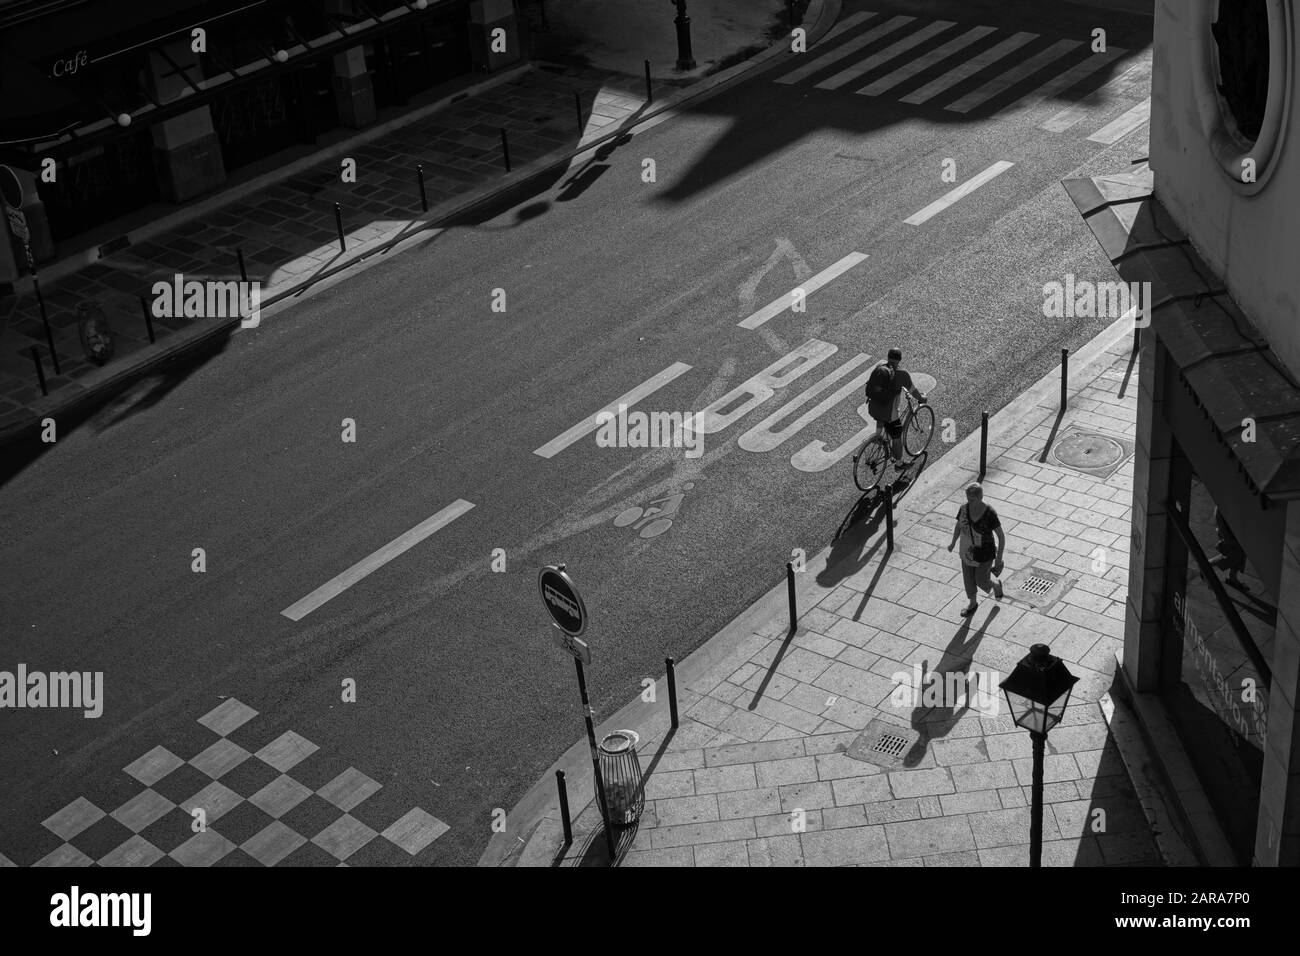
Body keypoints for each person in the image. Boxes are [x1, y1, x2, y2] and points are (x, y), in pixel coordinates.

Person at [947, 482, 1005, 617]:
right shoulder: (963, 509)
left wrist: (999, 559)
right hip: (967, 550)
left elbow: (1001, 537)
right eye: (967, 498)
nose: (969, 502)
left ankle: (996, 585)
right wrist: (953, 542)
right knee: (968, 579)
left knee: (981, 580)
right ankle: (972, 603)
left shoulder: (989, 513)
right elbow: (958, 526)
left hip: (985, 552)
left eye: (972, 499)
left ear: (980, 497)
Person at [866, 347, 927, 474]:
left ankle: (878, 438)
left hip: (873, 408)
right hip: (888, 413)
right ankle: (899, 464)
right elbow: (913, 391)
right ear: (899, 359)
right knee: (897, 435)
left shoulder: (880, 368)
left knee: (881, 418)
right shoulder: (902, 374)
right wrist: (922, 399)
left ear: (888, 357)